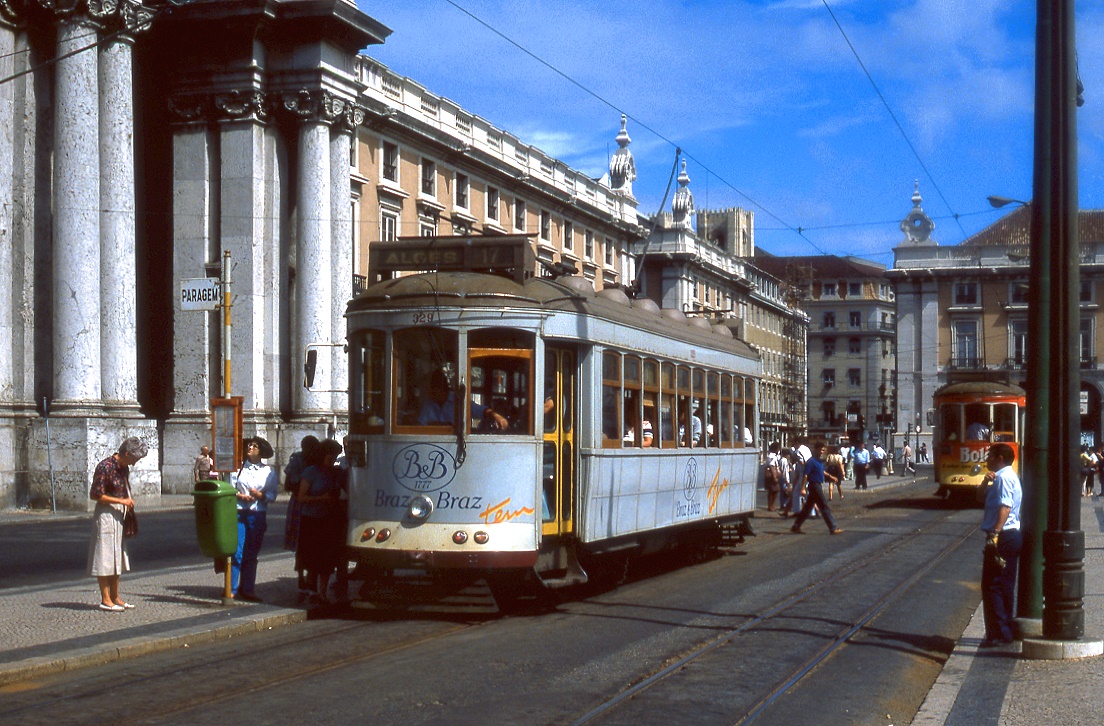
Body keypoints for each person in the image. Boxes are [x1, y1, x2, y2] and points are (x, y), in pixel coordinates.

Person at [87, 436, 148, 612]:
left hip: (120, 513)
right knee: (104, 555)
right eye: (134, 459)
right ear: (126, 453)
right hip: (106, 513)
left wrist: (126, 503)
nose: (135, 463)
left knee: (117, 556)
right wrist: (121, 501)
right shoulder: (105, 467)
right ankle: (105, 599)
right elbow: (95, 494)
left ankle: (116, 597)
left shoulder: (124, 468)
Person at [978, 443, 1023, 647]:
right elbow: (980, 498)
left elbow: (1005, 507)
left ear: (999, 458)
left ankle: (998, 633)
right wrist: (983, 483)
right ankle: (1004, 631)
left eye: (989, 455)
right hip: (1010, 536)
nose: (986, 459)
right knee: (1004, 585)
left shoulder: (1004, 478)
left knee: (992, 585)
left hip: (1003, 536)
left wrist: (994, 534)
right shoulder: (1005, 476)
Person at [229, 437, 278, 601]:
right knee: (236, 551)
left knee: (251, 553)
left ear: (261, 452)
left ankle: (248, 588)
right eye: (249, 445)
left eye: (255, 446)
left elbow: (272, 495)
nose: (250, 447)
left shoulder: (268, 472)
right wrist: (240, 495)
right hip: (239, 510)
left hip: (257, 513)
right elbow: (230, 488)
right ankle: (232, 588)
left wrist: (261, 496)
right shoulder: (238, 469)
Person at [296, 438, 344, 605]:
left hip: (329, 520)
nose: (333, 462)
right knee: (313, 557)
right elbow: (301, 497)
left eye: (335, 458)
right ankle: (312, 591)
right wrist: (321, 498)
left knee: (327, 560)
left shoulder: (335, 473)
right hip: (312, 520)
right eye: (330, 458)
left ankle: (323, 593)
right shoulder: (311, 472)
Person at [285, 435, 319, 595]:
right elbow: (288, 484)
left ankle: (306, 575)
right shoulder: (298, 461)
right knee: (302, 541)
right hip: (302, 502)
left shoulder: (309, 461)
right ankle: (302, 576)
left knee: (305, 542)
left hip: (302, 502)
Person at [418, 369, 507, 429]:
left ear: (438, 388)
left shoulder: (459, 401)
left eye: (429, 389)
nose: (427, 392)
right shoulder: (428, 404)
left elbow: (481, 411)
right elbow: (422, 426)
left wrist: (496, 416)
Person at [790, 439, 844, 535]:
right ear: (815, 450)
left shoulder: (819, 461)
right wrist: (802, 488)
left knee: (807, 508)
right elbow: (805, 475)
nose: (822, 452)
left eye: (823, 450)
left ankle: (796, 526)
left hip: (818, 484)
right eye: (820, 450)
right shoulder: (811, 461)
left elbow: (822, 471)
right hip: (814, 486)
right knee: (824, 506)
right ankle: (833, 527)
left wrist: (831, 476)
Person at [765, 442, 783, 511]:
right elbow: (772, 466)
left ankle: (772, 505)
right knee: (772, 490)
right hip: (771, 475)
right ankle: (770, 505)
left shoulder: (774, 456)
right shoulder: (771, 456)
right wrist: (774, 477)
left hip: (774, 474)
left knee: (775, 490)